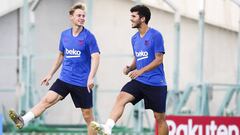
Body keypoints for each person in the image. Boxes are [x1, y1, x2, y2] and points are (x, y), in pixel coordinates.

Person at [8, 2, 100, 135]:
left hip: (82, 82)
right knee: (46, 100)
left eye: (83, 16)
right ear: (71, 17)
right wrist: (50, 74)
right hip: (64, 79)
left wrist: (91, 77)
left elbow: (96, 57)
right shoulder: (64, 35)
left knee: (88, 117)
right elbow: (61, 55)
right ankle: (23, 120)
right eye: (79, 15)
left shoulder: (89, 37)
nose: (81, 18)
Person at [90, 4, 169, 135]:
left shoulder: (156, 35)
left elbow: (159, 59)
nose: (131, 19)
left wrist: (140, 71)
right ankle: (108, 127)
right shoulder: (134, 38)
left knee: (159, 118)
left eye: (133, 16)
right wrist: (130, 67)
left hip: (156, 83)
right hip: (139, 81)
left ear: (142, 19)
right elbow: (138, 58)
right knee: (121, 97)